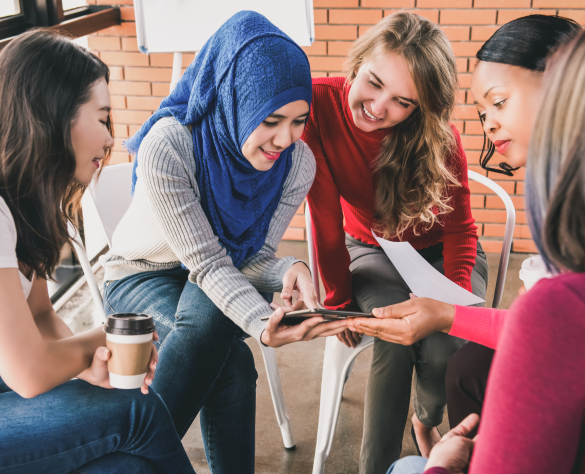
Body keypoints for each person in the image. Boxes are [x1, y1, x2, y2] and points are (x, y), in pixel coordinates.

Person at [101, 11, 348, 474]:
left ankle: (128, 464)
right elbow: (211, 264)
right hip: (140, 274)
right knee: (230, 356)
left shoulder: (297, 164)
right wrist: (260, 322)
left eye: (299, 121)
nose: (285, 139)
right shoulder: (170, 146)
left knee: (231, 363)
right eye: (271, 119)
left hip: (210, 274)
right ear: (236, 99)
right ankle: (132, 466)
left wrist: (289, 268)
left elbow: (248, 257)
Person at [347, 14, 581, 436]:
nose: (488, 123)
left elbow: (552, 327)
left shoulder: (446, 143)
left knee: (460, 363)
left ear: (562, 88)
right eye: (482, 110)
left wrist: (449, 309)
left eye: (500, 102)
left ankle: (436, 436)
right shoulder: (558, 184)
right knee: (463, 366)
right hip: (376, 257)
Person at [0, 30, 195, 474]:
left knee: (127, 466)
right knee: (136, 411)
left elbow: (41, 317)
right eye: (103, 118)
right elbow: (29, 372)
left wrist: (92, 365)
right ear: (54, 115)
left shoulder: (22, 205)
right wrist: (108, 340)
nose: (111, 140)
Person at [302, 11, 488, 470]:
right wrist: (337, 299)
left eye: (403, 101)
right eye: (373, 82)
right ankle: (375, 465)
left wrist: (451, 299)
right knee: (392, 331)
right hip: (371, 250)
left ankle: (425, 420)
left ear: (420, 108)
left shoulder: (437, 138)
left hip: (443, 253)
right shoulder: (319, 106)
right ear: (359, 59)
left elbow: (461, 230)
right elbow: (324, 219)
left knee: (446, 340)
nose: (379, 107)